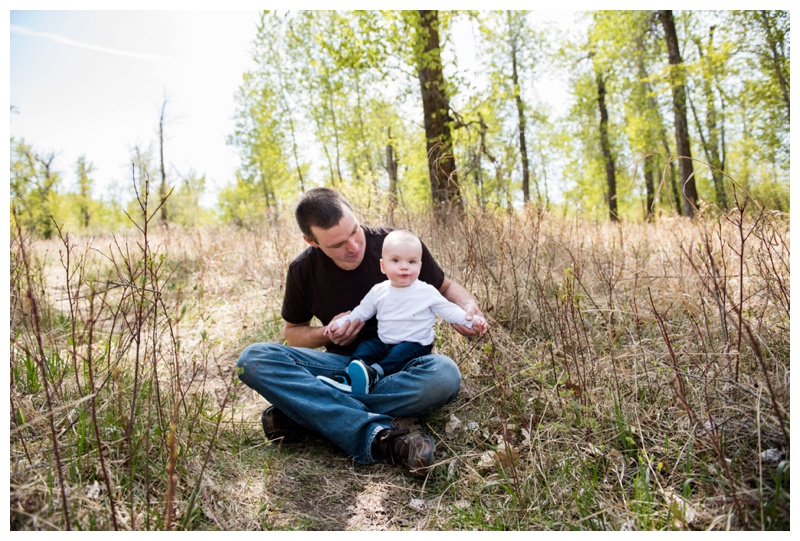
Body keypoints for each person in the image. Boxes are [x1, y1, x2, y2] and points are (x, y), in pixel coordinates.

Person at [236, 187, 487, 477]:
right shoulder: (303, 270)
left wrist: (468, 308)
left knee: (444, 376)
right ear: (312, 241)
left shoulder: (397, 246)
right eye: (338, 244)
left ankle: (307, 412)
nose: (354, 246)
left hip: (407, 365)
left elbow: (446, 288)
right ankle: (383, 436)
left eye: (355, 231)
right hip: (348, 367)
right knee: (253, 360)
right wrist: (326, 335)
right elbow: (293, 333)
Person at [317, 229, 488, 395]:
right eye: (396, 260)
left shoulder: (426, 291)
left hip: (415, 344)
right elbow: (361, 312)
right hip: (384, 341)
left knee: (400, 354)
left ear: (420, 266)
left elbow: (449, 311)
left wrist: (472, 320)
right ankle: (350, 376)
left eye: (411, 262)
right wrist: (338, 323)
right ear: (383, 266)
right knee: (366, 347)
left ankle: (374, 374)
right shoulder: (379, 290)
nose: (404, 267)